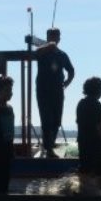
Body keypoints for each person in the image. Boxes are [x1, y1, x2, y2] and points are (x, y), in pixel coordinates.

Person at [36, 27, 75, 158]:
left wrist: (67, 83)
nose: (54, 38)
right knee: (46, 119)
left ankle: (50, 145)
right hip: (43, 91)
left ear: (59, 38)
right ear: (47, 38)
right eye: (51, 36)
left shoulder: (62, 55)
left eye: (56, 36)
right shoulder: (42, 52)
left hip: (58, 91)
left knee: (57, 121)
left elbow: (71, 71)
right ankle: (49, 149)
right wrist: (47, 47)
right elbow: (35, 54)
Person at [76, 76, 101, 192]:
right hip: (96, 146)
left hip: (83, 144)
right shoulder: (95, 105)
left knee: (85, 172)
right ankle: (99, 199)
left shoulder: (81, 104)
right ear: (98, 90)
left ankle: (83, 196)